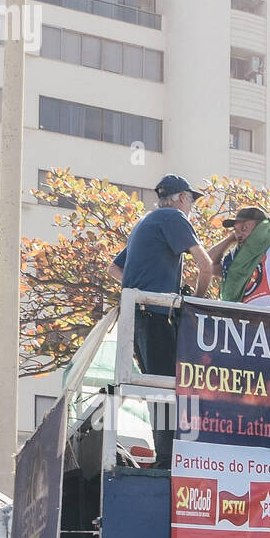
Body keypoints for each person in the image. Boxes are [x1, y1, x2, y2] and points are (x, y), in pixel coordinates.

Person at [107, 174, 215, 467]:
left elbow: (114, 269)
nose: (192, 207)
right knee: (168, 389)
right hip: (155, 316)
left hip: (138, 317)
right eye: (192, 201)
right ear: (182, 198)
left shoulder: (146, 222)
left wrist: (139, 289)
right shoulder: (173, 218)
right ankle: (169, 460)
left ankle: (166, 456)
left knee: (156, 388)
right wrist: (195, 301)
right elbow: (206, 266)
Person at [209, 204, 270, 310]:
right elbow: (207, 263)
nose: (239, 235)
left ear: (260, 228)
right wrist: (232, 238)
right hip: (250, 324)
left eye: (244, 228)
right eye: (236, 229)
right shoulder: (237, 259)